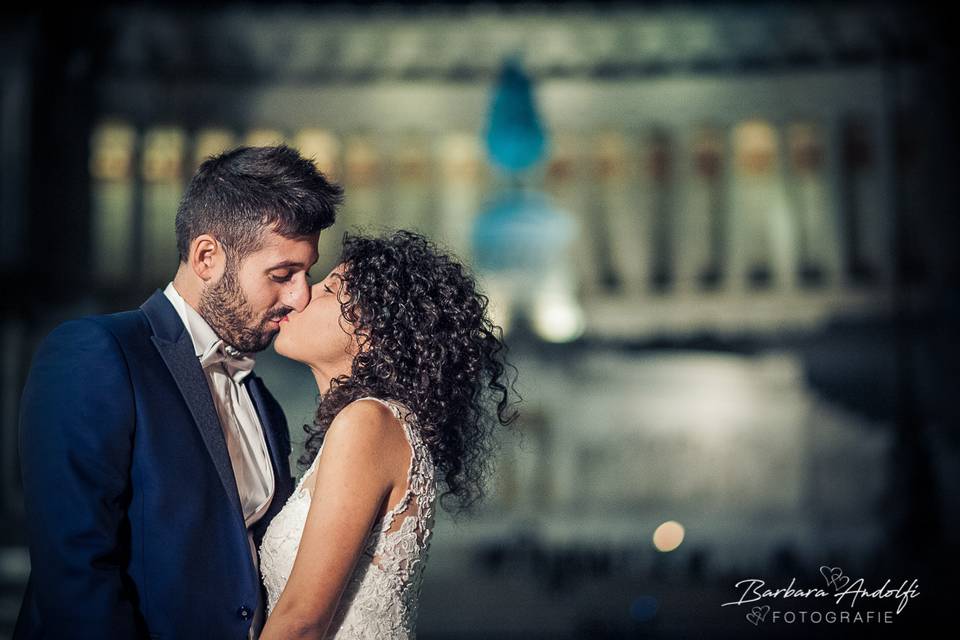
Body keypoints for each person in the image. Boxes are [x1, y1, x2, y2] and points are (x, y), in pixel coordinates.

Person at [14, 145, 343, 639]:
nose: (300, 295)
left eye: (307, 273)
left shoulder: (261, 399)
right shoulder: (98, 354)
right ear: (206, 256)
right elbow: (76, 574)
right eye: (282, 275)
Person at [258, 230, 519, 639]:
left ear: (372, 334)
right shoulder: (377, 425)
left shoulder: (369, 423)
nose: (301, 294)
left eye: (328, 289)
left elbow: (302, 621)